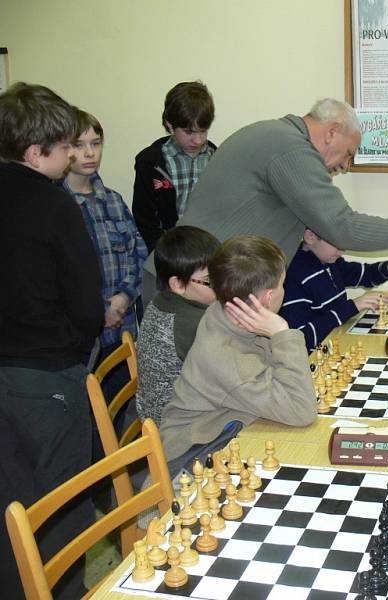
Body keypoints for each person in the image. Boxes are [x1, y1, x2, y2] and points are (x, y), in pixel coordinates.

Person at [0, 83, 104, 599]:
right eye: (65, 148)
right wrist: (73, 349)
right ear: (35, 151)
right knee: (62, 505)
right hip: (46, 377)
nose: (71, 158)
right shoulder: (55, 204)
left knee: (10, 504)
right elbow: (87, 301)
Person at [172, 98, 388, 266]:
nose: (344, 167)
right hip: (191, 287)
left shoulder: (275, 135)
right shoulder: (290, 148)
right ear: (332, 132)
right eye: (348, 154)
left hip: (200, 279)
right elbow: (341, 226)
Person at [158, 235, 317, 472]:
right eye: (282, 283)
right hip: (191, 459)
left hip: (224, 426)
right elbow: (301, 410)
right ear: (268, 298)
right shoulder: (229, 359)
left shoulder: (226, 310)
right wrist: (282, 333)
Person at [61, 110, 147, 388]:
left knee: (121, 413)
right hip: (81, 338)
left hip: (122, 330)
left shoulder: (112, 200)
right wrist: (100, 309)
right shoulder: (57, 205)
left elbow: (138, 254)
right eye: (78, 144)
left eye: (95, 143)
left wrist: (123, 299)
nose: (89, 153)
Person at [282, 228, 388, 352]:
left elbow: (365, 275)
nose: (341, 251)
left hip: (337, 342)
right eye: (337, 244)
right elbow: (300, 339)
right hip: (314, 362)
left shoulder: (330, 263)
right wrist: (353, 306)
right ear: (310, 236)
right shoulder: (293, 276)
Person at [136, 226, 220, 426]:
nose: (221, 285)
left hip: (158, 420)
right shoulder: (191, 323)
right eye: (210, 281)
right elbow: (235, 375)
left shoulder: (162, 301)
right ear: (177, 284)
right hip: (179, 433)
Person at [133, 81, 216, 253]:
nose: (198, 140)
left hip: (209, 250)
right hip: (169, 252)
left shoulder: (216, 157)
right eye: (189, 132)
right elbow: (145, 218)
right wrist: (161, 253)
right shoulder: (150, 162)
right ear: (170, 124)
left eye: (203, 131)